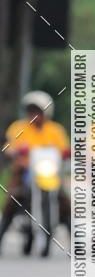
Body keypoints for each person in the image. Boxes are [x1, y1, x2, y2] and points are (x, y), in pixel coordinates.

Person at [0, 91, 70, 255]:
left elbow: (63, 149)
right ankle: (2, 234)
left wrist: (67, 153)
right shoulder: (18, 127)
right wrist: (15, 152)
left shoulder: (55, 130)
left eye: (38, 111)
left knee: (64, 201)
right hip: (24, 172)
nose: (34, 115)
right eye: (31, 111)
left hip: (49, 174)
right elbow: (8, 147)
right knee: (12, 199)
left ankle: (74, 243)